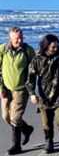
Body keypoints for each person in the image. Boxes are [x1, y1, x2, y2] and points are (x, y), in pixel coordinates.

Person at [26, 34, 59, 155]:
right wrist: (32, 94)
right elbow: (30, 78)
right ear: (46, 46)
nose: (56, 49)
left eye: (57, 46)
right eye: (53, 47)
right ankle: (49, 143)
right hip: (44, 96)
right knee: (46, 122)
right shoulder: (37, 59)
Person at [0, 27, 36, 155]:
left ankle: (16, 146)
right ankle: (26, 129)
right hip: (6, 89)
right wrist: (1, 88)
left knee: (15, 118)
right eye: (16, 38)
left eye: (21, 37)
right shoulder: (3, 49)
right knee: (6, 117)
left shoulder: (28, 50)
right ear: (10, 38)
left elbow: (34, 71)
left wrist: (32, 92)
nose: (19, 40)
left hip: (21, 89)